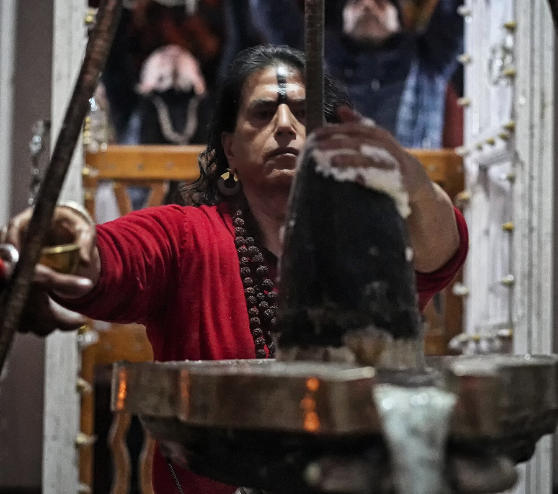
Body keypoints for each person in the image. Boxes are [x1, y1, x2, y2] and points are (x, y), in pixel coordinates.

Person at [1, 45, 467, 494]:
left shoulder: (367, 244)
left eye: (303, 113)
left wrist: (414, 185)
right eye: (263, 113)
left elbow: (440, 252)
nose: (284, 126)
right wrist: (63, 242)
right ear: (229, 149)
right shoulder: (186, 236)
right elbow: (114, 257)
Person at [250, 0, 464, 148]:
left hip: (415, 185)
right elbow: (272, 10)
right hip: (329, 185)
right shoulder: (311, 55)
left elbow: (455, 9)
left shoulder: (429, 58)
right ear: (343, 19)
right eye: (356, 3)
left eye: (380, 3)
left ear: (398, 20)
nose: (368, 4)